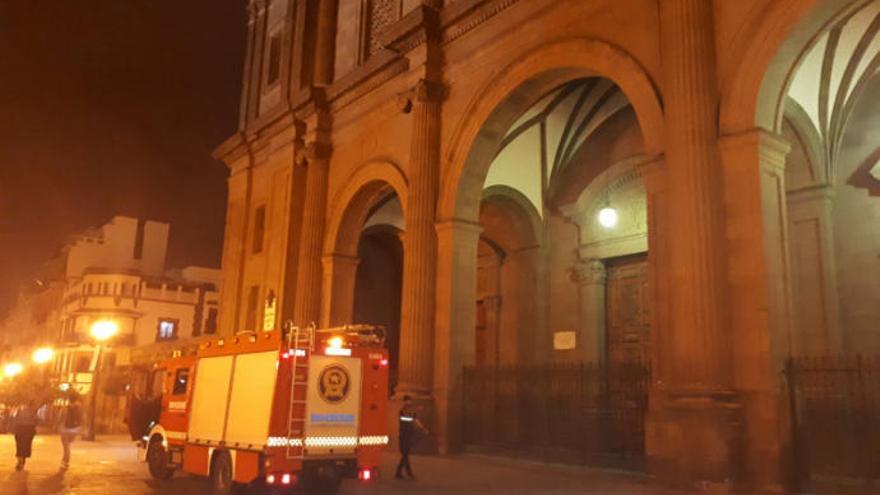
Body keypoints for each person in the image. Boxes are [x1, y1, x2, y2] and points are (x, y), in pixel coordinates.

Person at [395, 395, 428, 480]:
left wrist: (423, 428)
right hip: (403, 435)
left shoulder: (411, 411)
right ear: (404, 401)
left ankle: (400, 472)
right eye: (407, 400)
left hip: (409, 435)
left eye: (410, 400)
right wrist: (413, 415)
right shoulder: (402, 411)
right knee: (405, 454)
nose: (409, 402)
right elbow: (404, 419)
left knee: (405, 454)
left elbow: (416, 420)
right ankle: (406, 473)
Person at [13, 400, 40, 471]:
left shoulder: (20, 410)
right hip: (29, 431)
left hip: (19, 430)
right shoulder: (33, 412)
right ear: (33, 405)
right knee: (26, 446)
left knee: (19, 445)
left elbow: (15, 419)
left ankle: (20, 460)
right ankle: (22, 461)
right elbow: (37, 421)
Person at [59, 394, 83, 470]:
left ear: (69, 400)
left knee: (66, 447)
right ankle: (65, 461)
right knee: (68, 446)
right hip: (74, 430)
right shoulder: (79, 408)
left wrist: (57, 425)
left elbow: (60, 418)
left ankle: (65, 461)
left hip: (65, 429)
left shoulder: (65, 408)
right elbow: (82, 418)